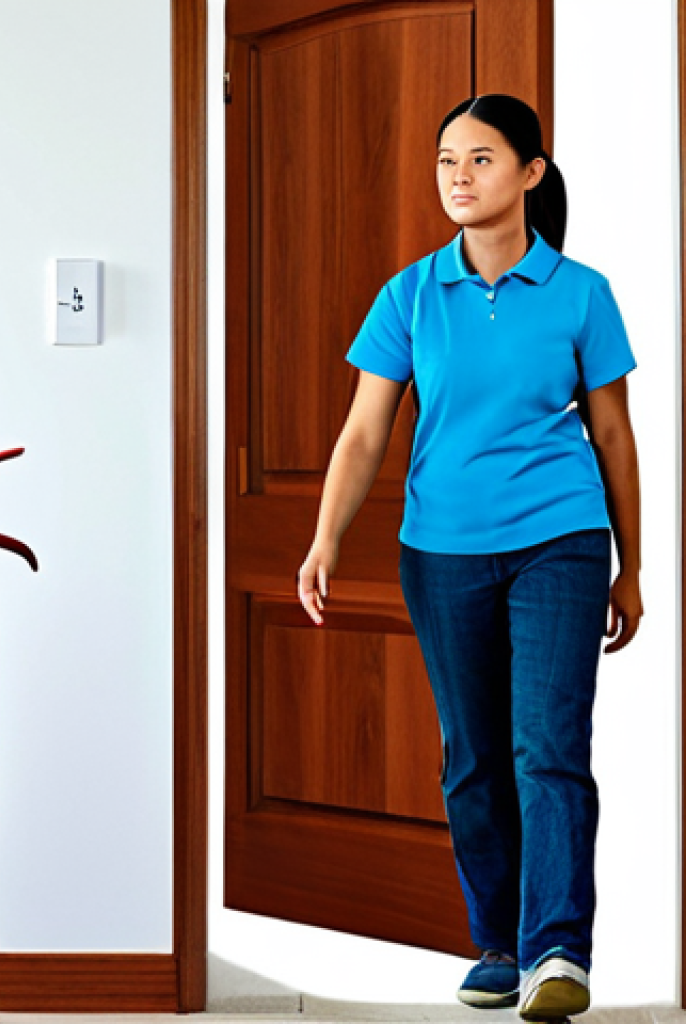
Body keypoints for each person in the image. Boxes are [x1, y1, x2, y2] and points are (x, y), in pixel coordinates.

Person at [296, 94, 643, 1020]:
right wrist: (327, 537)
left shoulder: (582, 294)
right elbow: (366, 432)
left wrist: (632, 565)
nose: (458, 175)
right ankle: (497, 942)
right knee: (474, 757)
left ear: (531, 173)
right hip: (441, 550)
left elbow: (613, 437)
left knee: (550, 747)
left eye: (482, 159)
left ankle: (558, 950)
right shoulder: (410, 294)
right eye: (447, 159)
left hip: (561, 541)